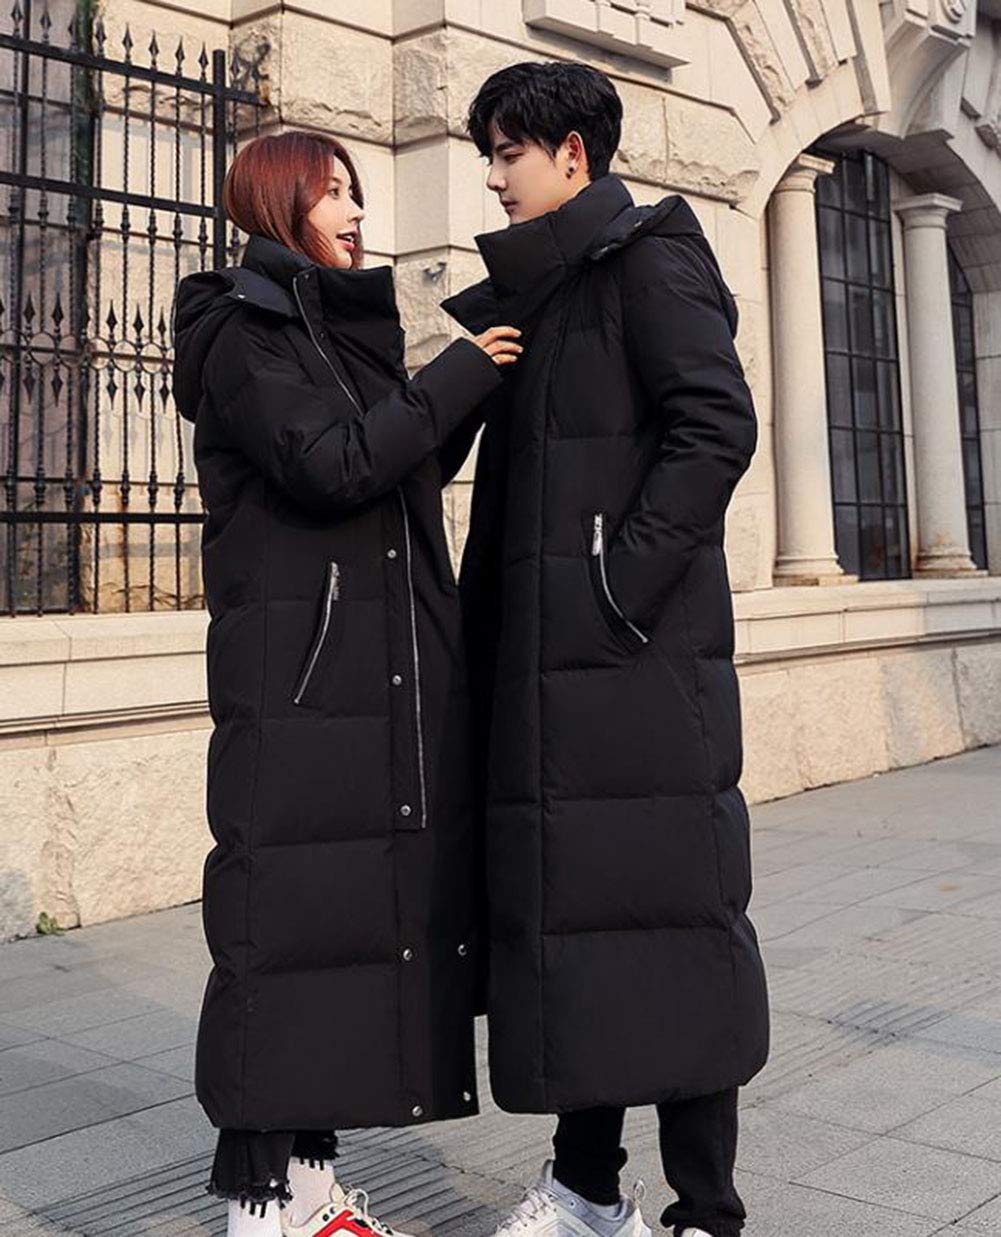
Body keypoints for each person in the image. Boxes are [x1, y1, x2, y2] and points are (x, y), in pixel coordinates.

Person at [439, 61, 770, 1237]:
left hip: (636, 670)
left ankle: (704, 1210)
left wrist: (616, 590)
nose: (493, 177)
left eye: (508, 153)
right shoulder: (540, 292)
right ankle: (585, 1185)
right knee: (579, 934)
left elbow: (715, 424)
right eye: (488, 154)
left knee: (670, 927)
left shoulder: (647, 261)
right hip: (551, 680)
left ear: (570, 154)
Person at [171, 129, 522, 1237]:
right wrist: (456, 375)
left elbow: (395, 465)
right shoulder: (242, 335)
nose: (357, 212)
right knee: (280, 933)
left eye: (357, 192)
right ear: (280, 205)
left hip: (369, 676)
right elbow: (332, 465)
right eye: (333, 194)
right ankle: (257, 1203)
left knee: (338, 932)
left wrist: (466, 389)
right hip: (300, 683)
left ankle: (309, 1189)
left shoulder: (324, 325)